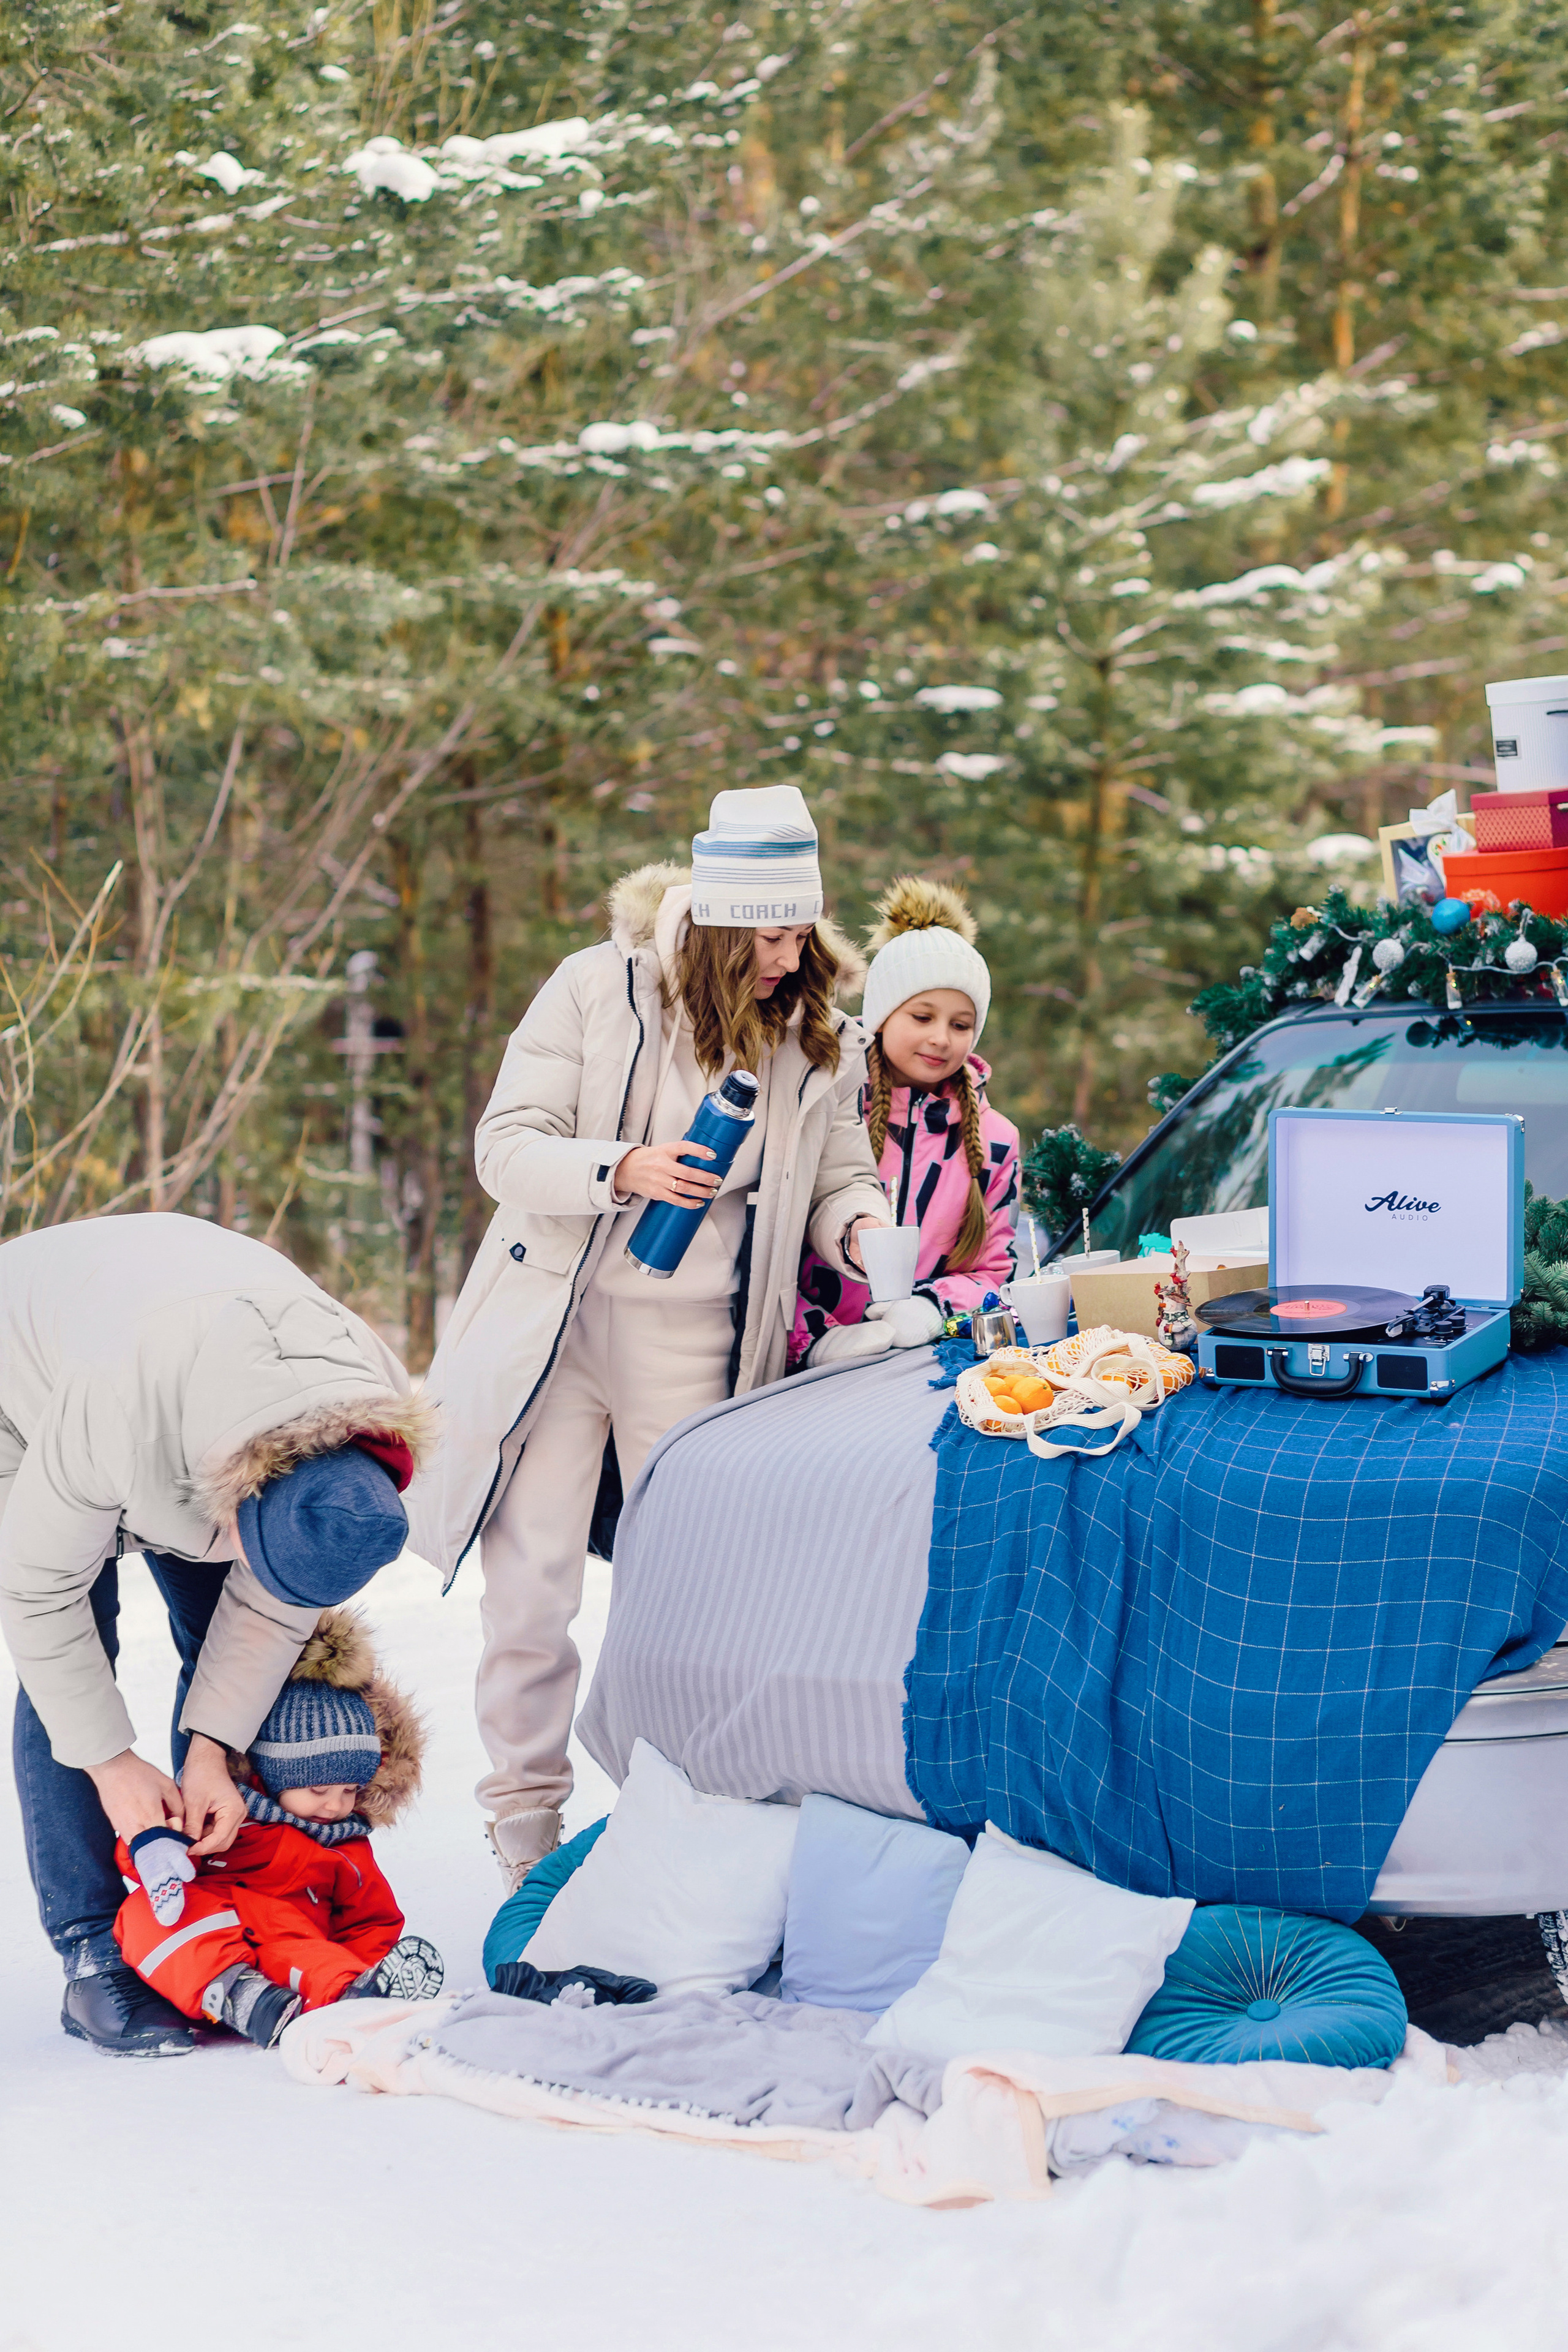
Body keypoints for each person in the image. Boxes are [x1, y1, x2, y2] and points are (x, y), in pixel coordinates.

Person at [410, 785, 905, 1891]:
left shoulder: (813, 1033)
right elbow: (507, 1149)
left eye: (800, 930)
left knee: (680, 1596)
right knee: (532, 1588)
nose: (791, 953)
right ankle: (525, 1833)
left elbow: (838, 1176)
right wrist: (618, 1169)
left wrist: (865, 1230)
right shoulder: (597, 988)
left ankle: (669, 1827)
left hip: (699, 1342)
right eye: (770, 934)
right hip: (558, 1332)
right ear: (722, 924)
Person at [1, 1212, 431, 2056]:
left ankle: (220, 1905)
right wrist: (113, 1766)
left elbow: (273, 1608)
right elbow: (38, 1597)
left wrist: (211, 1750)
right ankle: (97, 1947)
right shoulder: (124, 1407)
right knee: (77, 1656)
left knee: (231, 1651)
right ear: (244, 1493)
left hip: (201, 1393)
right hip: (27, 1394)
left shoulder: (367, 1422)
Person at [113, 1605, 441, 2048]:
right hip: (204, 1958)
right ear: (274, 1773)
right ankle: (239, 1997)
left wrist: (369, 1965)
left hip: (289, 1957)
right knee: (141, 1916)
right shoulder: (223, 1811)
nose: (336, 1805)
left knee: (308, 1952)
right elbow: (141, 1859)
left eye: (350, 1791)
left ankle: (358, 1996)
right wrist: (157, 1846)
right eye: (320, 1789)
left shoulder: (346, 1848)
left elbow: (372, 1921)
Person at [789, 878, 1020, 1368]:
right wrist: (815, 1340)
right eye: (922, 1016)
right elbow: (766, 1248)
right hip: (808, 1373)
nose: (941, 1038)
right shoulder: (825, 1111)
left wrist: (933, 1308)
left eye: (961, 1025)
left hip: (929, 1368)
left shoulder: (996, 1140)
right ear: (881, 1016)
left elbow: (997, 1269)